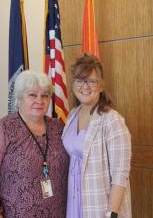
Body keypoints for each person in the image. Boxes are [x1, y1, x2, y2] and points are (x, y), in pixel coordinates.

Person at [0, 70, 69, 218]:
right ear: (19, 99)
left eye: (45, 95)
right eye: (32, 95)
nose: (40, 100)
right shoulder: (2, 129)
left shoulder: (59, 128)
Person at [62, 54, 132, 218]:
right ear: (73, 84)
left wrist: (111, 214)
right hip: (74, 200)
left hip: (99, 204)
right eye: (79, 80)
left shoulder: (112, 120)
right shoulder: (72, 115)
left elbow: (120, 175)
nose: (85, 86)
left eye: (91, 81)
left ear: (101, 86)